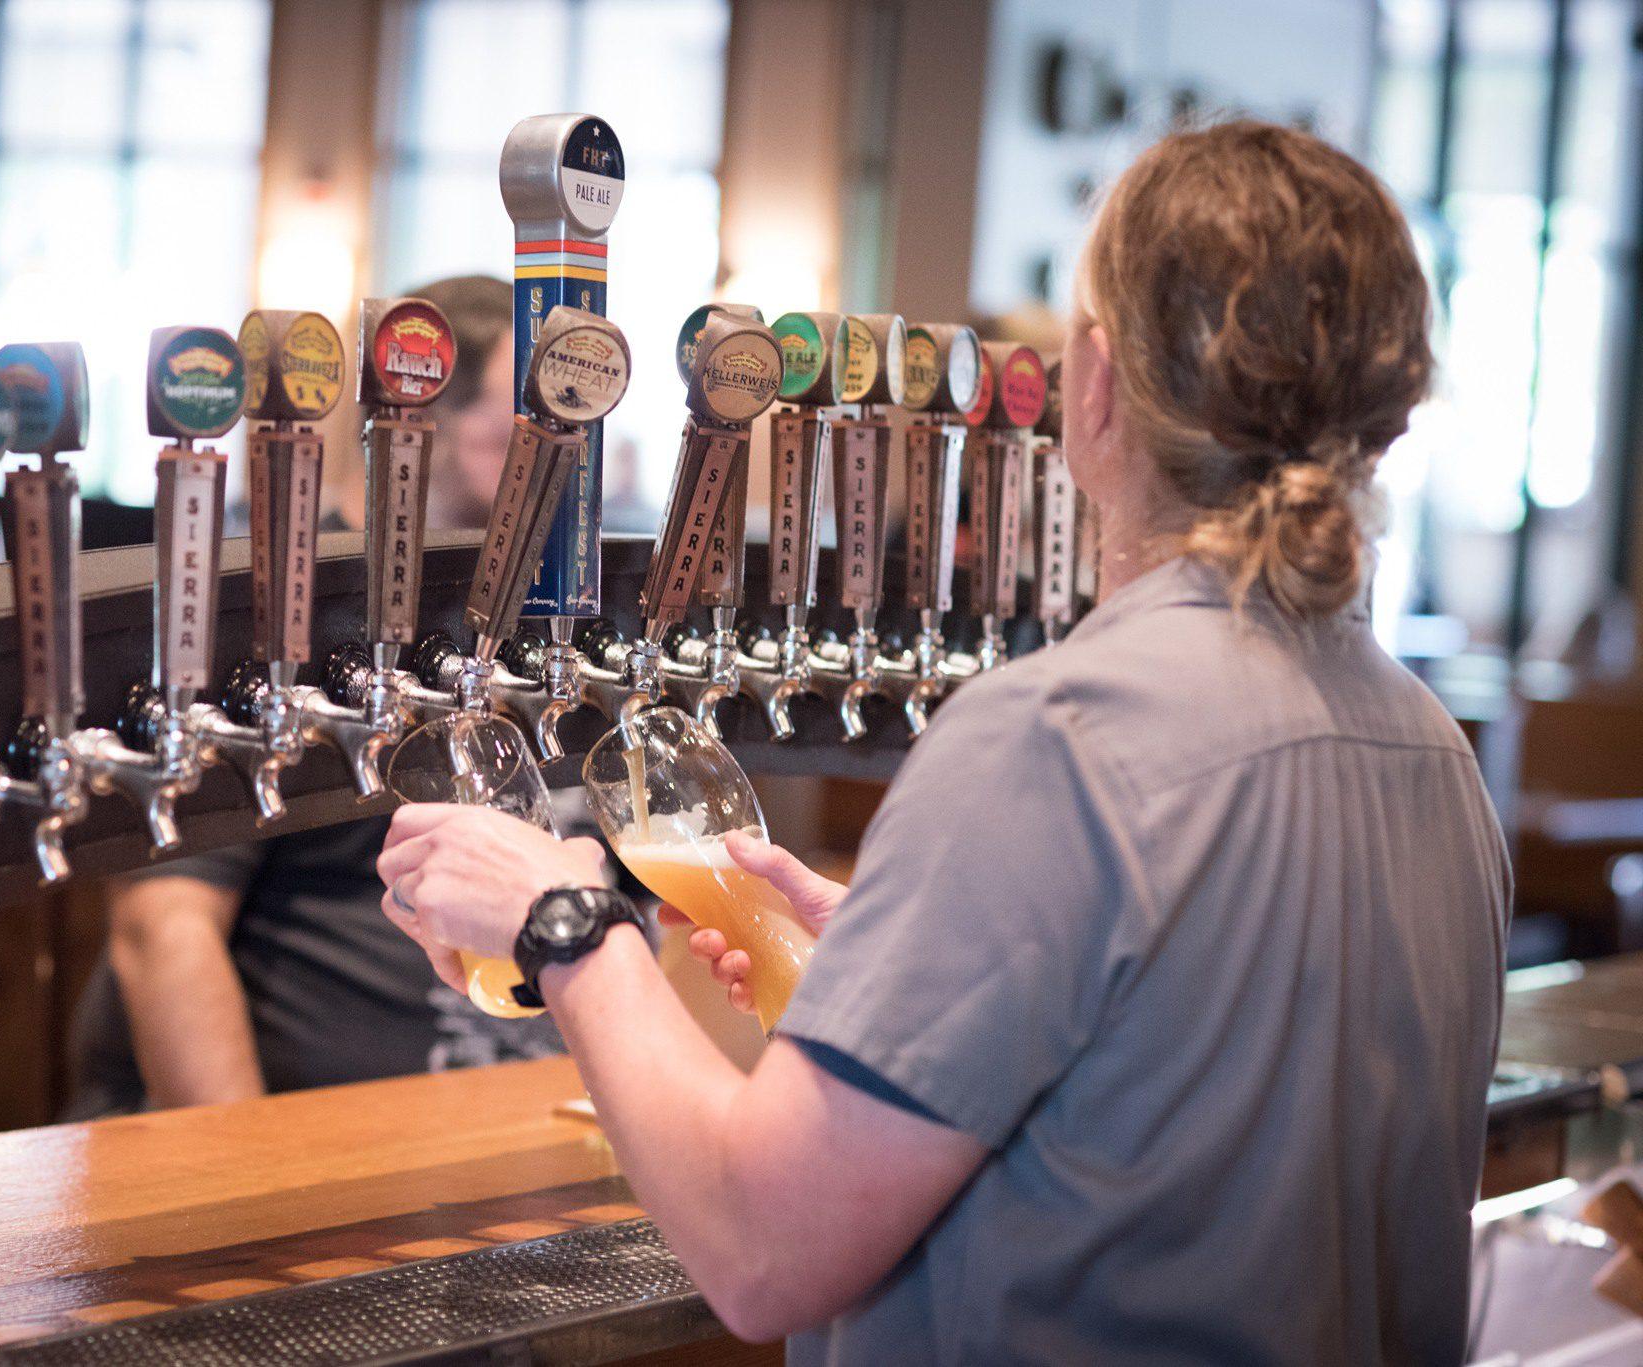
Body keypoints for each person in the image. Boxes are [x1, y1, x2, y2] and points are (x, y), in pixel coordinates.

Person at [375, 121, 1510, 1363]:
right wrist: (890, 961)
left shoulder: (1056, 740)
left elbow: (760, 1248)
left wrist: (570, 925)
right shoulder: (1430, 753)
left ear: (1090, 386)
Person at [66, 275, 564, 1117]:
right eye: (525, 415)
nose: (551, 445)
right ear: (421, 416)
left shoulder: (553, 629)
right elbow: (163, 931)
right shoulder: (279, 616)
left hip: (517, 1140)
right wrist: (249, 1187)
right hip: (320, 1149)